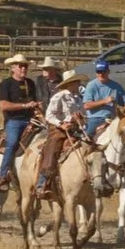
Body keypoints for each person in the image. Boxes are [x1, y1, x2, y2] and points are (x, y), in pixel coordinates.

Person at [34, 66, 86, 200]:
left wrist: (81, 119)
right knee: (52, 149)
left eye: (79, 81)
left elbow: (84, 115)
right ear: (70, 84)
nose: (79, 84)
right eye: (77, 82)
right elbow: (49, 115)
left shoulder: (78, 99)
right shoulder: (59, 97)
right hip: (59, 130)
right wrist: (61, 124)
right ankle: (42, 182)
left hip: (76, 129)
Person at [0, 54, 41, 184]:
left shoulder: (30, 83)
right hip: (14, 120)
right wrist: (25, 106)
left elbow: (34, 100)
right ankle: (3, 174)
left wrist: (37, 107)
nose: (23, 69)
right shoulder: (6, 84)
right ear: (13, 68)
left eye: (25, 66)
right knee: (12, 143)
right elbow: (4, 105)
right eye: (20, 66)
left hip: (32, 119)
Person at [81, 58, 125, 137]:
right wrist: (105, 101)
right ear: (96, 73)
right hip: (96, 118)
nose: (101, 74)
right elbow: (87, 106)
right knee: (87, 138)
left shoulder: (116, 86)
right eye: (99, 72)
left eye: (103, 71)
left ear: (108, 72)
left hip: (113, 118)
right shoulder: (91, 85)